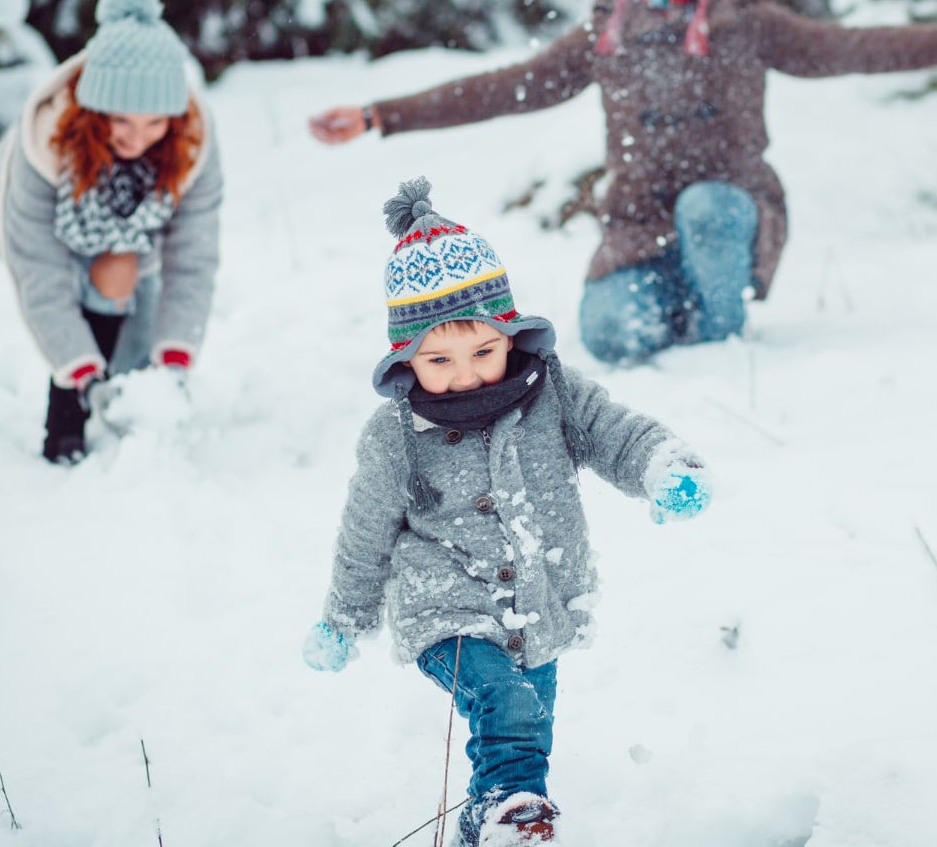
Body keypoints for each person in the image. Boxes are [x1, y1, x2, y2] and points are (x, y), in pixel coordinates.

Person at [309, 0, 937, 364]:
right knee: (607, 337)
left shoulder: (745, 18)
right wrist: (383, 116)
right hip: (638, 222)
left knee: (709, 209)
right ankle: (683, 302)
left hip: (728, 206)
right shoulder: (608, 30)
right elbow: (505, 88)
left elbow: (849, 48)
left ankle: (719, 343)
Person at [302, 177, 711, 847]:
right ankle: (511, 812)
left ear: (510, 335)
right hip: (443, 605)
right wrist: (343, 619)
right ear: (405, 357)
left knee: (526, 729)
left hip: (542, 597)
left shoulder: (550, 393)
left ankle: (494, 821)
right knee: (506, 703)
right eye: (439, 359)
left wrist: (663, 468)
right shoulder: (395, 435)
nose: (465, 375)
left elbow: (615, 433)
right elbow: (366, 532)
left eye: (482, 352)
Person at [0, 0, 224, 464]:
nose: (138, 139)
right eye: (121, 122)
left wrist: (177, 352)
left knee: (136, 366)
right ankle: (65, 420)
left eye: (154, 123)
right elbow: (39, 269)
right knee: (108, 280)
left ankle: (111, 368)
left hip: (121, 229)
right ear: (93, 109)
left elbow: (194, 255)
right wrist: (77, 365)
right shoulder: (45, 139)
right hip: (2, 212)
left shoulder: (193, 143)